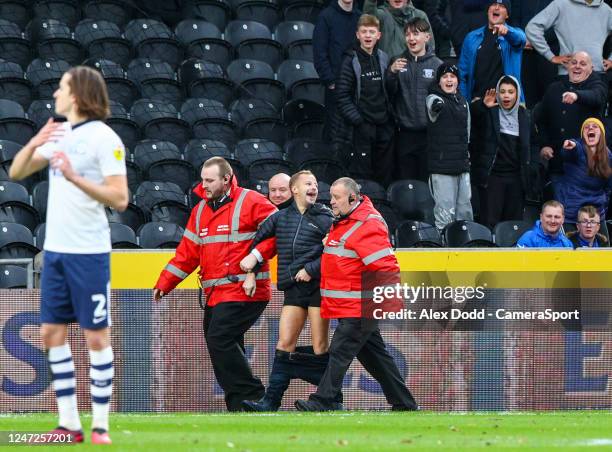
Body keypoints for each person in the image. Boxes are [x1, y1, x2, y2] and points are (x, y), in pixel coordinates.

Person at [9, 66, 129, 444]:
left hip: (88, 253)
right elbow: (16, 172)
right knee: (50, 332)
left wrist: (76, 177)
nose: (55, 95)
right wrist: (36, 141)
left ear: (76, 95)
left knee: (96, 336)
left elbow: (120, 198)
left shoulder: (104, 138)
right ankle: (69, 424)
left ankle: (102, 426)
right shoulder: (59, 133)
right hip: (57, 251)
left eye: (61, 88)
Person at [153, 157, 277, 412]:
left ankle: (253, 393)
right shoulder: (200, 211)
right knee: (225, 341)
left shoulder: (251, 201)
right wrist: (166, 282)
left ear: (226, 179)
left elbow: (279, 231)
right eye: (202, 179)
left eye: (209, 180)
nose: (204, 185)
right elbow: (187, 253)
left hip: (245, 289)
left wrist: (255, 257)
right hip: (216, 293)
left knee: (219, 338)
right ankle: (240, 405)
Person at [294, 177, 419, 411]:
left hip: (361, 307)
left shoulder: (367, 224)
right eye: (331, 196)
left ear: (353, 198)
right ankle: (404, 403)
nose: (331, 202)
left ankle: (324, 400)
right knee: (376, 358)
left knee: (340, 351)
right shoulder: (346, 221)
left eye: (336, 197)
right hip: (352, 305)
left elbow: (385, 267)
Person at [239, 170, 339, 411]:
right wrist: (250, 273)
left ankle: (331, 399)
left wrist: (311, 270)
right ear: (294, 189)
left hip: (317, 288)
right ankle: (270, 402)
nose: (314, 186)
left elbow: (334, 250)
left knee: (320, 347)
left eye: (315, 183)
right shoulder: (279, 217)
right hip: (293, 290)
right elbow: (256, 243)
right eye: (308, 183)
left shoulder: (325, 217)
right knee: (284, 344)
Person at [470, 75, 539, 228]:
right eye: (502, 92)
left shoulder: (526, 116)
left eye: (510, 92)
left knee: (513, 224)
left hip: (517, 178)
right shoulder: (489, 112)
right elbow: (472, 120)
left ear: (517, 94)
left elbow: (534, 144)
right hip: (492, 177)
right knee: (490, 223)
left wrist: (533, 166)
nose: (506, 95)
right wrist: (482, 106)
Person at [537, 52, 608, 199]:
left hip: (585, 168)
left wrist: (576, 96)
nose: (577, 67)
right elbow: (542, 120)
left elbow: (596, 96)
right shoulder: (554, 88)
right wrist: (544, 144)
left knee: (584, 215)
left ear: (591, 68)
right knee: (558, 211)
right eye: (574, 62)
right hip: (557, 164)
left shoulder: (597, 85)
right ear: (568, 65)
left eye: (583, 64)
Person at [335, 14, 394, 187]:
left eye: (372, 31)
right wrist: (359, 122)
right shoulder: (349, 61)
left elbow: (391, 92)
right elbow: (342, 96)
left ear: (379, 35)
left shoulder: (384, 58)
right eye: (364, 31)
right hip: (360, 129)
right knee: (362, 177)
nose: (368, 35)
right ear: (357, 35)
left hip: (383, 127)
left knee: (383, 175)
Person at [387, 17, 443, 181]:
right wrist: (391, 73)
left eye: (416, 34)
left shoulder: (437, 65)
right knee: (406, 181)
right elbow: (389, 93)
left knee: (426, 182)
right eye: (408, 34)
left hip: (429, 135)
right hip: (404, 134)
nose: (411, 39)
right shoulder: (397, 62)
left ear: (427, 37)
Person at [426, 63, 473, 230]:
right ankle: (444, 250)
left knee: (465, 212)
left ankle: (466, 247)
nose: (448, 80)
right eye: (444, 77)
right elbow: (433, 105)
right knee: (445, 214)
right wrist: (437, 105)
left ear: (458, 81)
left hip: (462, 166)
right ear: (439, 81)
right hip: (441, 168)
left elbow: (467, 135)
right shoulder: (433, 97)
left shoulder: (463, 102)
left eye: (452, 77)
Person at [458, 0, 526, 103]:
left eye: (502, 6)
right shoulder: (472, 37)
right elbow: (462, 74)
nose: (497, 8)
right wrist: (464, 102)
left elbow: (521, 40)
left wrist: (507, 32)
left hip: (505, 104)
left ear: (507, 15)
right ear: (487, 11)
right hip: (477, 101)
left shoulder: (512, 36)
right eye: (494, 4)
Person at [313, 0, 361, 141]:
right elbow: (319, 53)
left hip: (357, 86)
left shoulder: (360, 17)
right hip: (336, 86)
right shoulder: (325, 17)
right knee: (335, 135)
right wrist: (331, 82)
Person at [526, 0, 612, 76]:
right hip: (568, 74)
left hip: (597, 73)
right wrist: (550, 56)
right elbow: (532, 28)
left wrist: (611, 60)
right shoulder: (561, 4)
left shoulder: (606, 10)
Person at [558, 118, 612, 222]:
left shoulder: (608, 156)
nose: (590, 127)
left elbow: (609, 188)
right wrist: (570, 146)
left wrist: (603, 204)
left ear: (602, 134)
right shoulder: (578, 147)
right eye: (586, 127)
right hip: (572, 211)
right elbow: (570, 150)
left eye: (595, 126)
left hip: (595, 213)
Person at [363, 0, 433, 58]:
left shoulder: (420, 15)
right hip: (388, 70)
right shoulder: (382, 15)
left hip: (416, 69)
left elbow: (430, 45)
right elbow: (369, 14)